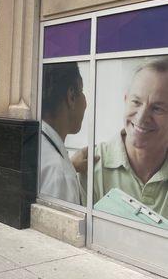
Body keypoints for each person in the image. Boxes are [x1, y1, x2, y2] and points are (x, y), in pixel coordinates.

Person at [92, 58, 168, 219]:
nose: (141, 118)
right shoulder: (90, 167)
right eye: (136, 102)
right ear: (125, 100)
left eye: (157, 108)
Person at [40, 62, 87, 204]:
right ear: (71, 96)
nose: (86, 102)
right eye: (83, 91)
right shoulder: (60, 174)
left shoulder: (35, 143)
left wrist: (70, 165)